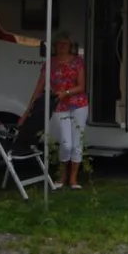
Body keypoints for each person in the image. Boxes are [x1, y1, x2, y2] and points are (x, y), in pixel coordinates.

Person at [17, 31, 89, 189]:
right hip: (59, 106)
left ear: (70, 46)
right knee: (66, 142)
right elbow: (39, 88)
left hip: (79, 105)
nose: (62, 46)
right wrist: (27, 111)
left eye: (66, 44)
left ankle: (73, 179)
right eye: (59, 44)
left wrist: (66, 92)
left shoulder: (78, 62)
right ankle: (62, 176)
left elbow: (81, 86)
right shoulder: (49, 64)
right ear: (55, 46)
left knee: (77, 143)